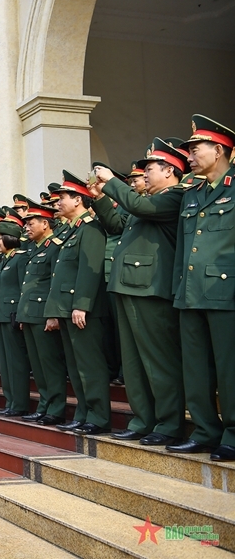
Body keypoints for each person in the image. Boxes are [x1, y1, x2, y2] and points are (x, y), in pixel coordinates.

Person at [90, 139, 187, 446]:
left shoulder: (172, 198)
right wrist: (101, 197)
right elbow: (118, 224)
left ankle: (169, 423)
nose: (144, 174)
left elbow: (139, 206)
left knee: (158, 362)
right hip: (128, 287)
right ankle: (143, 419)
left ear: (170, 170)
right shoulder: (146, 200)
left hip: (151, 289)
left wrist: (112, 182)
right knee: (133, 364)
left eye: (150, 168)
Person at [168, 115, 235, 461]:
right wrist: (180, 289)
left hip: (226, 293)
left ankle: (233, 434)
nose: (189, 156)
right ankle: (206, 431)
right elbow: (183, 247)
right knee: (196, 367)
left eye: (196, 149)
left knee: (229, 367)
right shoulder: (192, 193)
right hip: (192, 292)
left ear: (220, 150)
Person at [45, 171, 111, 435]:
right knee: (76, 366)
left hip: (84, 309)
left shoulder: (91, 228)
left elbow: (89, 269)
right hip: (67, 307)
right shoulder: (71, 231)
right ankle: (84, 412)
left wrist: (81, 304)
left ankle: (99, 417)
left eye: (63, 198)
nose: (58, 202)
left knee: (89, 365)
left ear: (79, 200)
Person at [16, 199, 65, 425]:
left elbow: (55, 283)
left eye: (31, 223)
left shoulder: (54, 246)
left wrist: (53, 314)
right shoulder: (34, 249)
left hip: (45, 313)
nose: (26, 227)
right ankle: (45, 404)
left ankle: (56, 408)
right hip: (30, 313)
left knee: (50, 364)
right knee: (38, 365)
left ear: (45, 224)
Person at [0, 214, 32, 416]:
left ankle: (20, 403)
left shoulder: (20, 258)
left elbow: (24, 288)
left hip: (13, 314)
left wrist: (20, 314)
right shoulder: (4, 259)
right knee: (6, 362)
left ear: (10, 238)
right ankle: (10, 401)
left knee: (16, 361)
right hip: (1, 314)